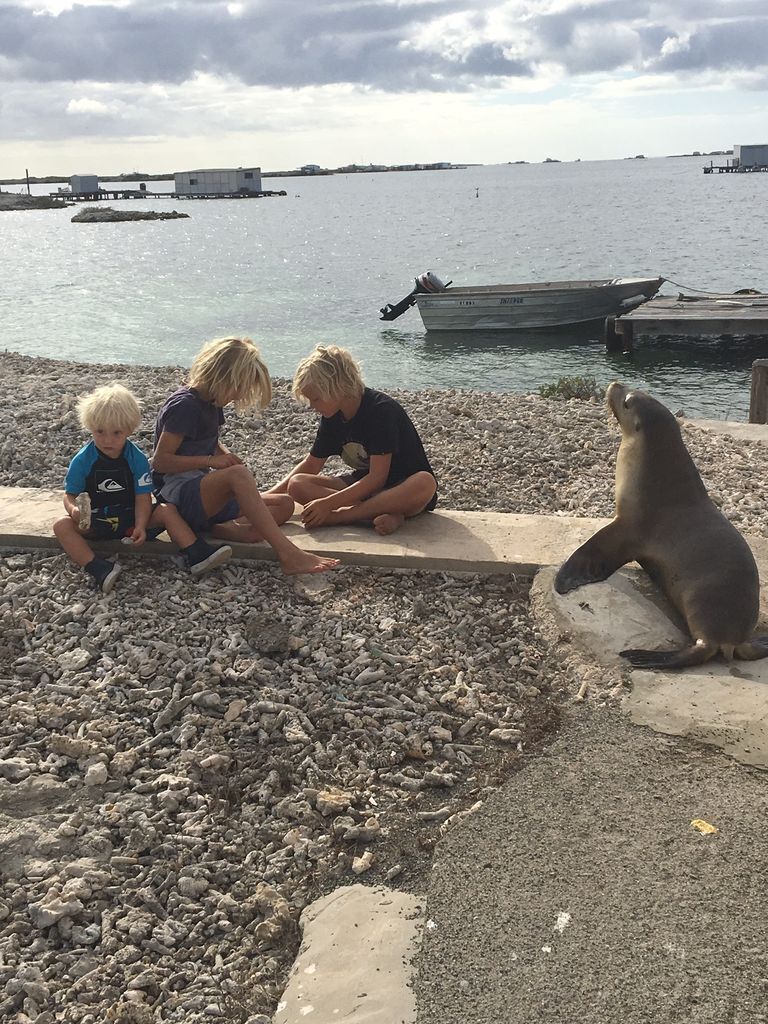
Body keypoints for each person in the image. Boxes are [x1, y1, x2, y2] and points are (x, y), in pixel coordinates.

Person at [152, 336, 339, 575]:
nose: (239, 396)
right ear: (225, 376)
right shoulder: (184, 406)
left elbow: (208, 440)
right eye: (240, 387)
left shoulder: (211, 402)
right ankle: (289, 554)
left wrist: (226, 455)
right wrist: (212, 462)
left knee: (284, 504)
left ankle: (221, 527)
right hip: (178, 496)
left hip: (202, 496)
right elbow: (161, 461)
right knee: (238, 476)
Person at [54, 383, 232, 593]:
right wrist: (75, 511)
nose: (107, 440)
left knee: (167, 510)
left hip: (131, 520)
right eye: (100, 432)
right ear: (90, 427)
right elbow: (70, 494)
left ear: (129, 430)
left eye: (116, 433)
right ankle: (98, 567)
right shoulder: (83, 460)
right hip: (96, 520)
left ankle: (197, 552)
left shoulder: (136, 459)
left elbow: (142, 496)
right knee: (61, 526)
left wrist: (140, 525)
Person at [269, 345, 437, 535]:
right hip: (365, 487)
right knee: (297, 484)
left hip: (402, 486)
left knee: (425, 482)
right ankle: (382, 514)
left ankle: (341, 517)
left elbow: (377, 478)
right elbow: (311, 465)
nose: (312, 406)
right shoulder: (332, 416)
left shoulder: (381, 410)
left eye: (316, 399)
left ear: (337, 388)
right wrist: (265, 497)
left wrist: (329, 506)